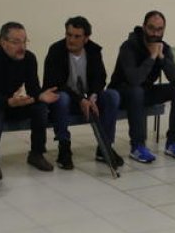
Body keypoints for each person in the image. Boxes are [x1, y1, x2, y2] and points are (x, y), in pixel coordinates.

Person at [0, 22, 60, 172]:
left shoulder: (29, 58)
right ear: (3, 42)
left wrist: (40, 96)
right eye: (16, 42)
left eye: (24, 41)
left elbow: (33, 89)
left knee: (40, 109)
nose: (22, 47)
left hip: (11, 103)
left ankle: (36, 154)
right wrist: (9, 102)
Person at [42, 15, 123, 169]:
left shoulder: (94, 50)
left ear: (86, 38)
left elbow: (100, 78)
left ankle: (104, 147)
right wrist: (80, 99)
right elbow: (54, 84)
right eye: (69, 35)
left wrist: (93, 96)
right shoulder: (56, 51)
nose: (71, 40)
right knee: (62, 98)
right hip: (66, 102)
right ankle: (64, 148)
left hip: (87, 100)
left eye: (77, 36)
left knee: (112, 96)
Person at [109, 10, 175, 163]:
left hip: (143, 91)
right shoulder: (129, 46)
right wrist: (152, 57)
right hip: (121, 93)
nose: (155, 33)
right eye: (151, 28)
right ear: (144, 27)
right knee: (137, 91)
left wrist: (162, 58)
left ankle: (173, 142)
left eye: (159, 29)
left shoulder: (163, 48)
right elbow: (134, 79)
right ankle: (137, 146)